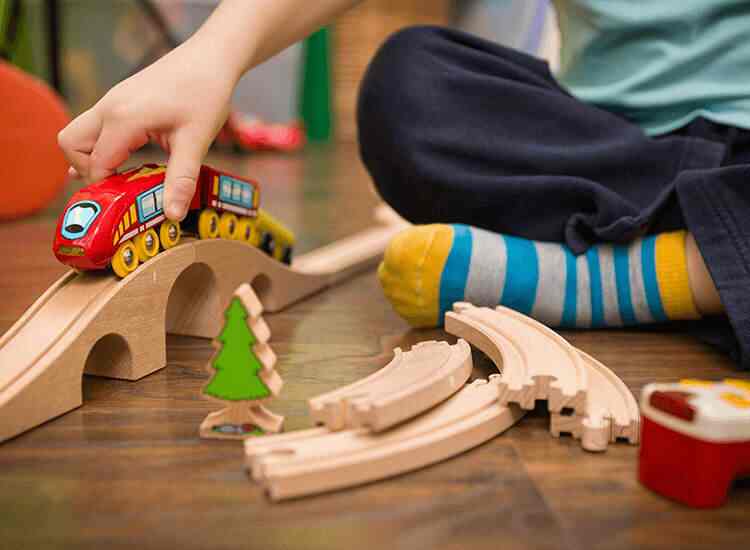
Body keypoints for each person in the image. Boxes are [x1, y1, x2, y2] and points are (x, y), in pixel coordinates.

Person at [57, 1, 750, 368]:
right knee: (407, 81)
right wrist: (212, 55)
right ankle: (714, 264)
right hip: (602, 155)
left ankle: (623, 279)